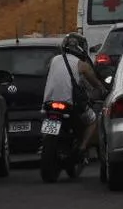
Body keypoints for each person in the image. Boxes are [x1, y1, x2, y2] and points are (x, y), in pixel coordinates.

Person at [43, 32, 104, 161]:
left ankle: (45, 142)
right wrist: (102, 89)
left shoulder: (53, 60)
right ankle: (82, 149)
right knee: (93, 121)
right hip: (69, 104)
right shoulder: (82, 65)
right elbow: (95, 83)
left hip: (49, 102)